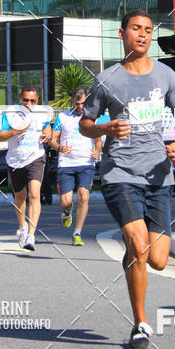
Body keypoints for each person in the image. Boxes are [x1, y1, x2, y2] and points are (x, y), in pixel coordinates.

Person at [79, 9, 175, 349]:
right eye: (135, 28)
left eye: (147, 30)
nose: (142, 34)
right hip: (120, 172)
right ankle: (140, 324)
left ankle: (132, 258)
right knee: (139, 245)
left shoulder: (165, 75)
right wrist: (105, 128)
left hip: (158, 174)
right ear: (122, 34)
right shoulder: (107, 79)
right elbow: (85, 124)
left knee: (158, 259)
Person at [0, 86, 52, 251]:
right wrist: (15, 131)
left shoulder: (42, 112)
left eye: (32, 100)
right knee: (20, 198)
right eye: (25, 100)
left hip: (36, 157)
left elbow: (47, 128)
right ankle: (22, 227)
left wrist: (47, 135)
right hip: (15, 160)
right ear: (20, 98)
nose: (29, 103)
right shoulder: (10, 113)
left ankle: (31, 236)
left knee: (34, 194)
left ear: (37, 99)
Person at [50, 88, 102, 246]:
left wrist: (97, 151)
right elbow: (52, 139)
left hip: (86, 163)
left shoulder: (92, 118)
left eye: (83, 103)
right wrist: (59, 148)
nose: (80, 107)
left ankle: (77, 233)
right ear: (72, 101)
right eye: (77, 103)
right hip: (66, 164)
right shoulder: (62, 117)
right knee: (66, 202)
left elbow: (98, 141)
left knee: (83, 196)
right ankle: (67, 211)